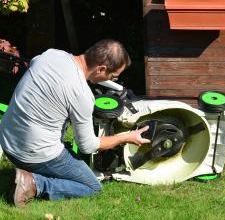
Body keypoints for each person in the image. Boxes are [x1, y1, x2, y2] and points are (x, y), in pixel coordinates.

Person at [0, 39, 150, 206]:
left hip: (7, 140)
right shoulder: (82, 94)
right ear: (101, 69)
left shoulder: (52, 55)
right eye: (112, 76)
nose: (112, 80)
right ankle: (34, 183)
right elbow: (87, 145)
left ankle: (29, 173)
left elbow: (42, 68)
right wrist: (126, 137)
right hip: (30, 153)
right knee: (92, 187)